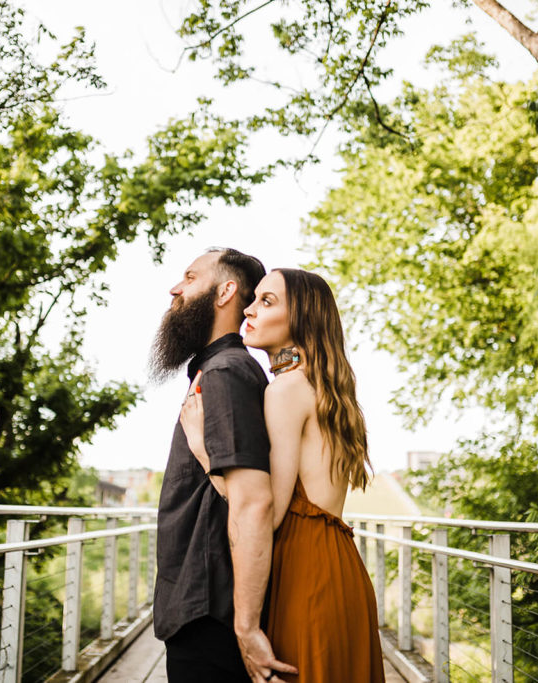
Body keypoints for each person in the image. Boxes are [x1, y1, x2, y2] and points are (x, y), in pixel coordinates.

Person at [180, 268, 385, 683]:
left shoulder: (286, 389)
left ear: (302, 319)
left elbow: (267, 509)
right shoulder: (328, 389)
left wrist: (203, 449)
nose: (249, 310)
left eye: (267, 301)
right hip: (343, 568)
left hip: (305, 572)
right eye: (253, 299)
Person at [150, 248, 298, 683]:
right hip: (203, 608)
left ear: (225, 291)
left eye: (191, 277)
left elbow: (253, 504)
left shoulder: (225, 372)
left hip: (209, 613)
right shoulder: (225, 369)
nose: (176, 288)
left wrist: (246, 628)